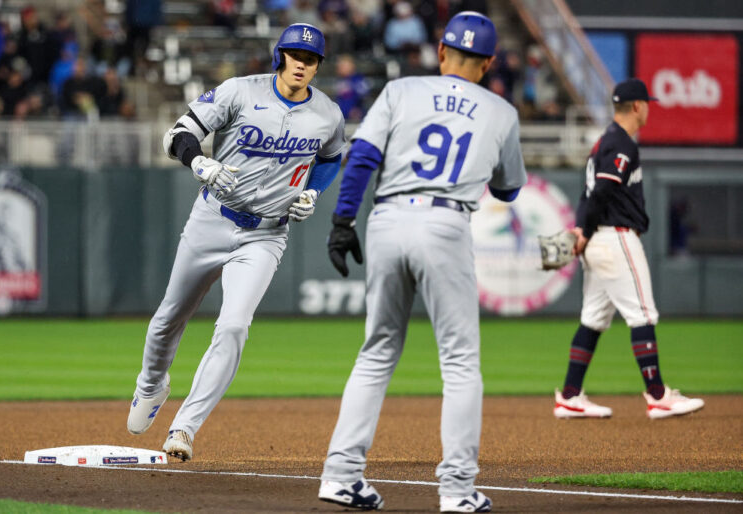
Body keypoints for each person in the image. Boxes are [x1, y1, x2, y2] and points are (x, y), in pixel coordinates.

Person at [319, 12, 526, 513]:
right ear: (490, 62)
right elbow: (509, 187)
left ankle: (341, 476)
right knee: (459, 362)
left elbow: (363, 155)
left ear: (441, 52)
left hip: (388, 218)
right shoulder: (501, 111)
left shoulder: (403, 90)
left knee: (376, 351)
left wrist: (343, 220)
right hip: (445, 223)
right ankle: (456, 490)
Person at [126, 23, 346, 461]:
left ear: (319, 64)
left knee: (233, 326)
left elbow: (331, 157)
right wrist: (199, 162)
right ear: (279, 55)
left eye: (311, 58)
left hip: (266, 233)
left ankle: (184, 429)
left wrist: (313, 192)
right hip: (212, 218)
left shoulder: (328, 114)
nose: (302, 63)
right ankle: (151, 385)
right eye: (294, 55)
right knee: (169, 317)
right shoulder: (239, 92)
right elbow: (179, 135)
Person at [553, 78, 704, 420]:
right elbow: (603, 191)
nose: (648, 107)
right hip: (616, 237)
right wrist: (586, 230)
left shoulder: (603, 143)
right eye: (647, 102)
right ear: (638, 106)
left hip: (599, 239)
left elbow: (587, 194)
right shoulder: (622, 144)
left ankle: (570, 396)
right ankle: (658, 395)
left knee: (592, 318)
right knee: (643, 314)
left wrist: (581, 231)